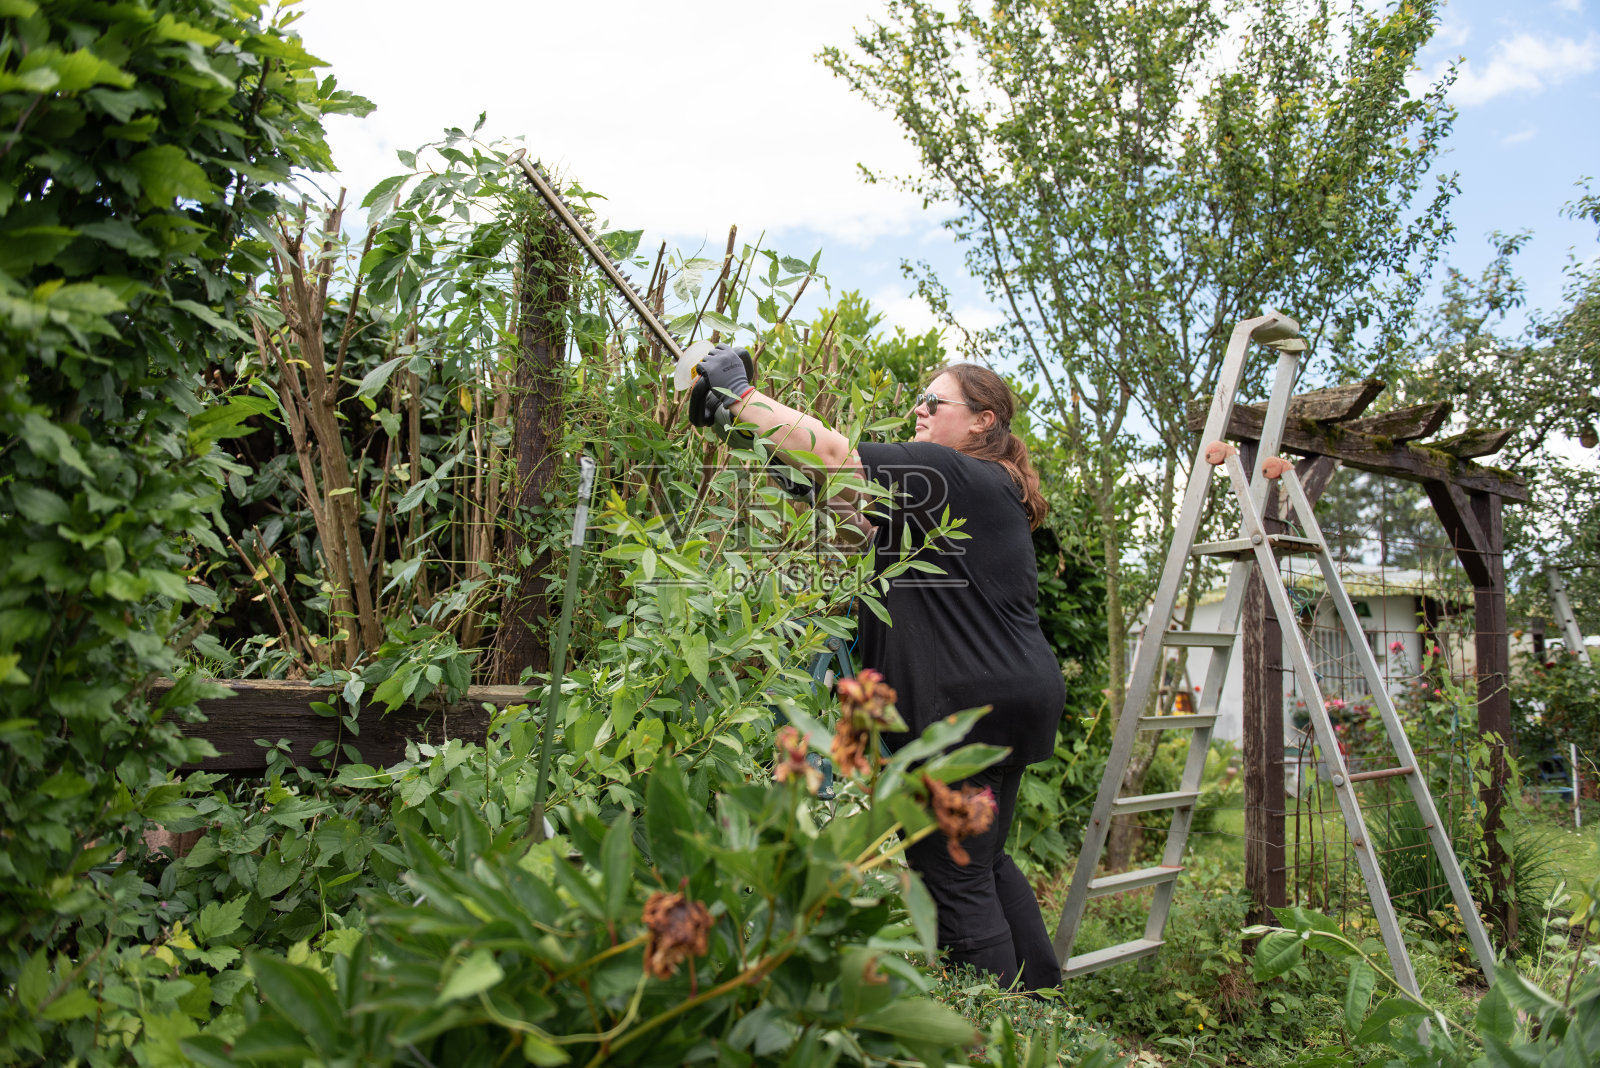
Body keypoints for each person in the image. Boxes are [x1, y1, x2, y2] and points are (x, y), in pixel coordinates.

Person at [692, 346, 1066, 992]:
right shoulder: (977, 489)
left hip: (965, 707)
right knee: (985, 863)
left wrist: (742, 396)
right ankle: (1045, 1008)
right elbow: (858, 525)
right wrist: (761, 446)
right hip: (1009, 694)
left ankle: (1006, 1033)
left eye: (933, 402)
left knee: (950, 875)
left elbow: (838, 456)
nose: (918, 410)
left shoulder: (948, 471)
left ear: (981, 421)